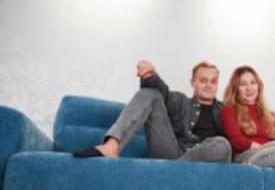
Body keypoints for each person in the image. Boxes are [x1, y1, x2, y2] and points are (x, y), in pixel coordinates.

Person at [73, 60, 232, 162]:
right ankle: (112, 145)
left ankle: (176, 170)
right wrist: (150, 77)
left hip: (203, 158)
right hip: (172, 152)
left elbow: (239, 138)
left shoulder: (225, 111)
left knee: (222, 144)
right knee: (151, 93)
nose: (208, 85)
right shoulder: (180, 101)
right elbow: (163, 92)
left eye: (213, 81)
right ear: (192, 82)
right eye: (203, 80)